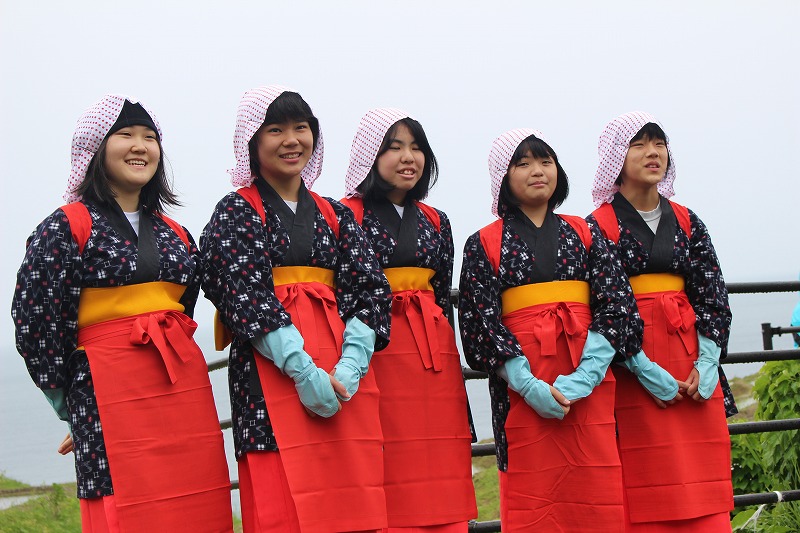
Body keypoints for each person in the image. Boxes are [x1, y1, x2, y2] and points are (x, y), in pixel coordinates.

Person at [11, 95, 233, 532]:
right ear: (94, 148)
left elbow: (183, 312)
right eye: (125, 135)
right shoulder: (65, 226)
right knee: (119, 505)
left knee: (196, 501)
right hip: (105, 393)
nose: (140, 146)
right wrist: (72, 404)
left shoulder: (177, 233)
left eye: (150, 137)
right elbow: (35, 321)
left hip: (180, 390)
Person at [201, 86, 392, 533]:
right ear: (252, 141)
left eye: (301, 128)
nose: (292, 140)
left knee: (350, 501)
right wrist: (303, 370)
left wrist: (351, 365)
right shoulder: (235, 210)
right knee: (280, 502)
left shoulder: (335, 214)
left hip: (344, 380)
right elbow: (243, 292)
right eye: (275, 130)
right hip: (269, 376)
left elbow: (369, 290)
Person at [459, 128, 638, 532]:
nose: (537, 171)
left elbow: (616, 304)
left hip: (589, 383)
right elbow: (480, 324)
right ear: (503, 177)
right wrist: (527, 384)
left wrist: (586, 377)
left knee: (596, 489)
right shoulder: (482, 242)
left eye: (546, 161)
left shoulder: (586, 232)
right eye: (522, 163)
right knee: (533, 495)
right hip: (520, 389)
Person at [588, 111, 734, 531]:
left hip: (691, 363)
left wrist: (707, 362)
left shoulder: (688, 220)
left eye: (659, 143)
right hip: (633, 368)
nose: (653, 153)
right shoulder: (597, 226)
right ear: (616, 157)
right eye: (638, 144)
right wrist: (642, 368)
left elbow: (712, 294)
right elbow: (603, 306)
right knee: (641, 477)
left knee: (703, 477)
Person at [341, 108, 477, 532]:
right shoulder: (345, 214)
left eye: (416, 148)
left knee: (439, 449)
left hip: (433, 350)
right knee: (385, 448)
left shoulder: (437, 221)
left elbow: (441, 293)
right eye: (395, 147)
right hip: (375, 346)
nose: (408, 157)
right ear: (370, 155)